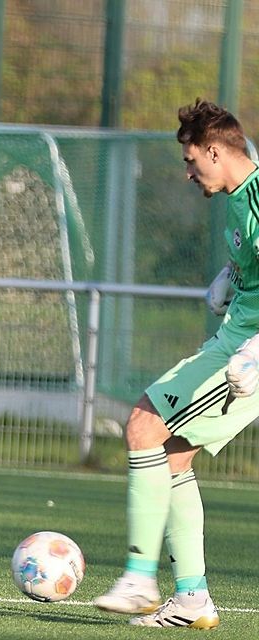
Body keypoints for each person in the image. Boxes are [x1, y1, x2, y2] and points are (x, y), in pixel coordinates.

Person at [93, 99, 259, 629]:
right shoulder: (238, 199)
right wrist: (231, 278)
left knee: (144, 425)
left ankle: (140, 577)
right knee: (172, 459)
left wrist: (253, 353)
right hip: (234, 340)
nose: (188, 173)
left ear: (215, 150)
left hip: (246, 354)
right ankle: (191, 599)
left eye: (191, 162)